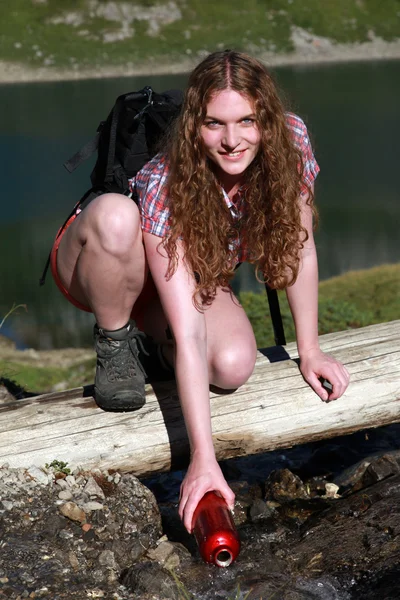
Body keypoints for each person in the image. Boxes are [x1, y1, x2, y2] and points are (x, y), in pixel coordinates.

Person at [50, 50, 350, 533]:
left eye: (247, 120)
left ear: (267, 117)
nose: (232, 141)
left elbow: (303, 249)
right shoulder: (165, 180)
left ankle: (151, 344)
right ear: (195, 124)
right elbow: (191, 334)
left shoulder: (290, 141)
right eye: (214, 124)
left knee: (232, 365)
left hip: (170, 281)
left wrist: (310, 350)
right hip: (100, 263)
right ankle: (115, 339)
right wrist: (203, 461)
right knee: (115, 217)